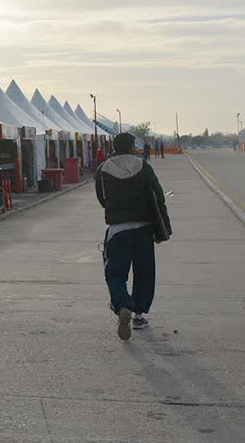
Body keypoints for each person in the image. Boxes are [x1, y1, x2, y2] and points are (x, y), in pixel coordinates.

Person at [94, 132, 170, 340]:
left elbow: (102, 198)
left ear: (114, 147)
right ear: (132, 146)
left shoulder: (103, 169)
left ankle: (122, 306)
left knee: (115, 273)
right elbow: (158, 196)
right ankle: (138, 316)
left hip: (118, 230)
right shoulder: (144, 166)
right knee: (144, 271)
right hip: (144, 229)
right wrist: (163, 228)